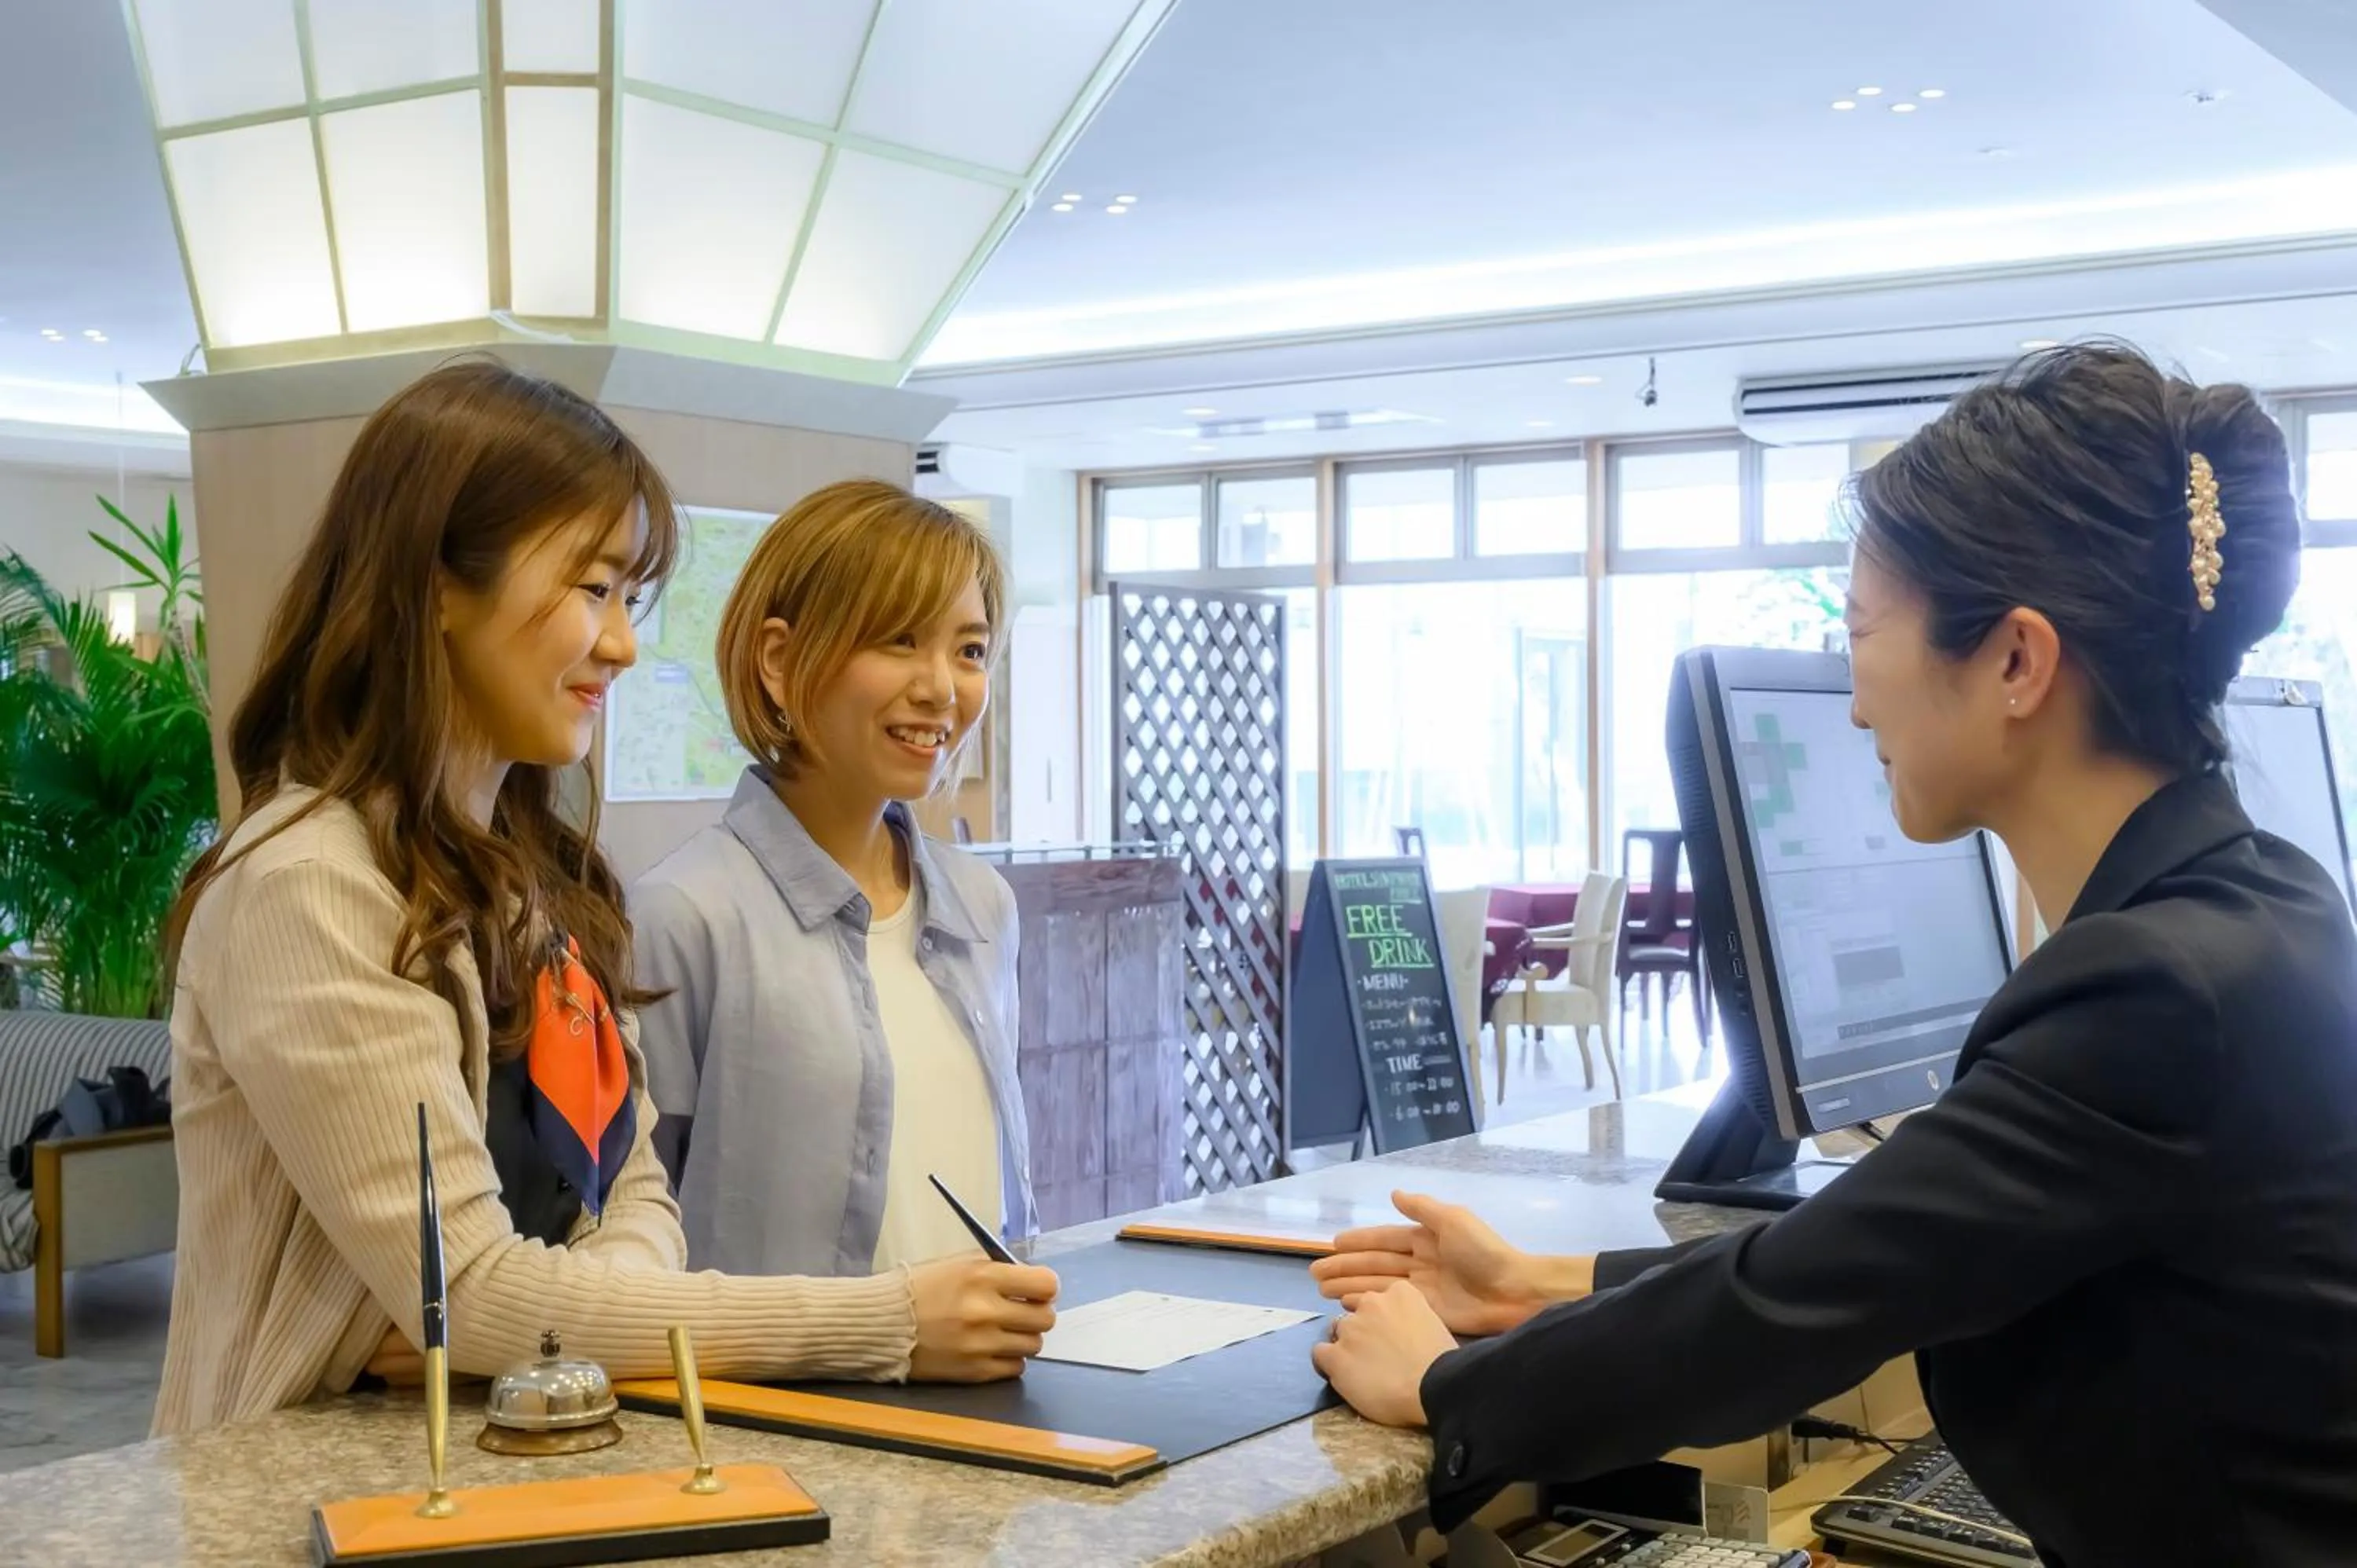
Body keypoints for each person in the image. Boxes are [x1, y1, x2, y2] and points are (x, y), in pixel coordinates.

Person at [1308, 343, 2357, 1565]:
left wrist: (1452, 1398)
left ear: (2017, 662)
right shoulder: (2266, 904)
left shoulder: (2155, 993)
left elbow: (1792, 1311)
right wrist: (1535, 1286)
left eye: (1864, 631)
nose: (1855, 701)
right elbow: (1861, 1259)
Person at [155, 363, 1054, 1437]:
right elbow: (477, 1292)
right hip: (300, 1502)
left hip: (518, 1466)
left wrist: (549, 1322)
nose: (623, 644)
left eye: (630, 599)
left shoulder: (544, 888)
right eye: (593, 590)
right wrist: (887, 1322)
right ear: (438, 581)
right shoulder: (309, 886)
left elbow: (626, 1203)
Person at [631, 481, 1031, 1278]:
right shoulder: (680, 916)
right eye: (899, 640)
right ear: (779, 660)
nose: (942, 689)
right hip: (774, 1400)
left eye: (970, 649)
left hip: (985, 1390)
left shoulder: (985, 904)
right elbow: (628, 1234)